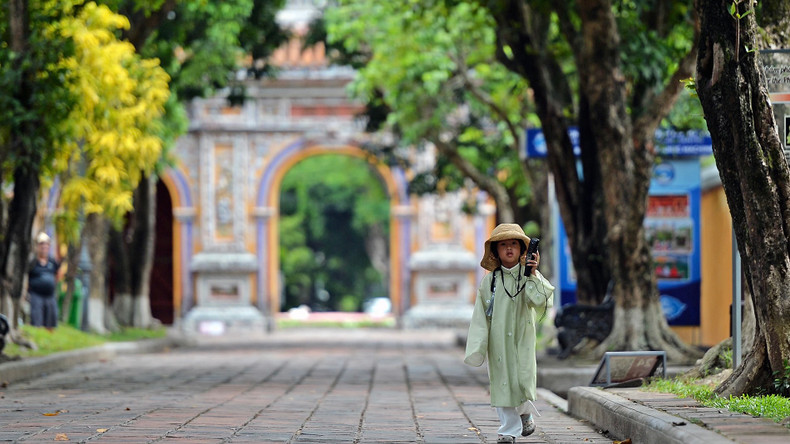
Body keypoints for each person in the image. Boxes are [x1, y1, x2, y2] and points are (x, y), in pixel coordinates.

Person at [464, 223, 555, 444]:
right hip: (498, 341)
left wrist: (533, 274)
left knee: (522, 379)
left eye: (514, 243)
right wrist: (478, 345)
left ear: (522, 248)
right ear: (496, 251)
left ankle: (525, 413)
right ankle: (508, 431)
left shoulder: (529, 276)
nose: (509, 249)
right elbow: (480, 316)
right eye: (503, 245)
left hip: (523, 338)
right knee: (502, 382)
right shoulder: (490, 281)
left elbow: (542, 300)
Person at [27, 232, 61, 329]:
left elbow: (58, 273)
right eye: (42, 245)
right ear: (38, 246)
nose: (44, 248)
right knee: (36, 319)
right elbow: (27, 276)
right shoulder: (33, 262)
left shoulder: (52, 261)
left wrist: (52, 284)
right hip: (36, 294)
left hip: (50, 295)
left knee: (51, 321)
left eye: (46, 245)